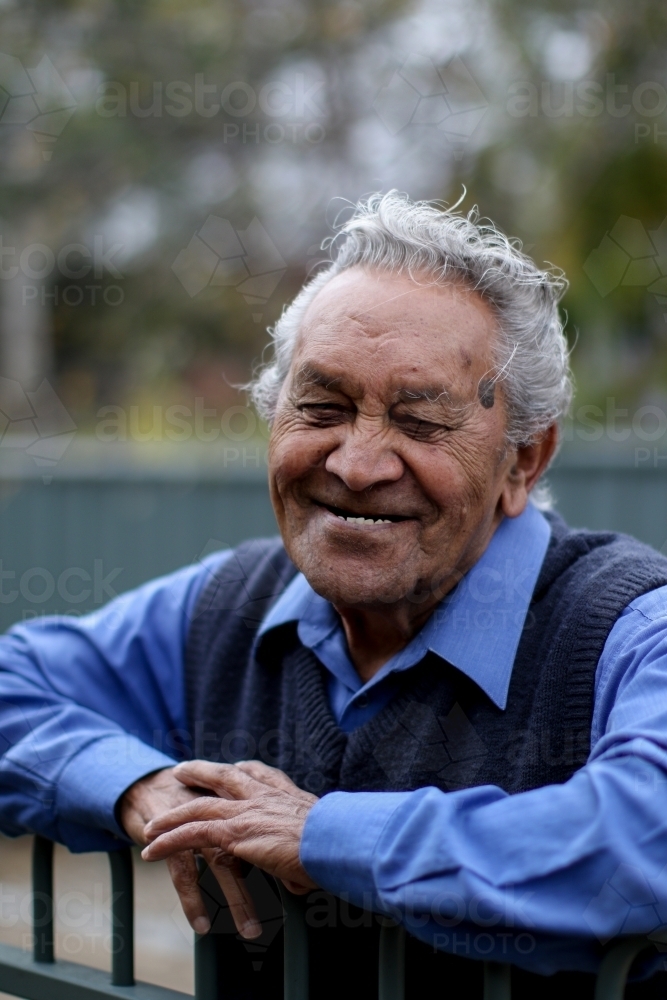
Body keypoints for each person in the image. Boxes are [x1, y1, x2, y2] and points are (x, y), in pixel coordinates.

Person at [1, 193, 667, 996]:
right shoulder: (228, 607)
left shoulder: (630, 627)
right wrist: (136, 787)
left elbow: (643, 830)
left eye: (420, 423)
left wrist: (325, 837)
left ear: (522, 461)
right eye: (321, 407)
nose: (356, 464)